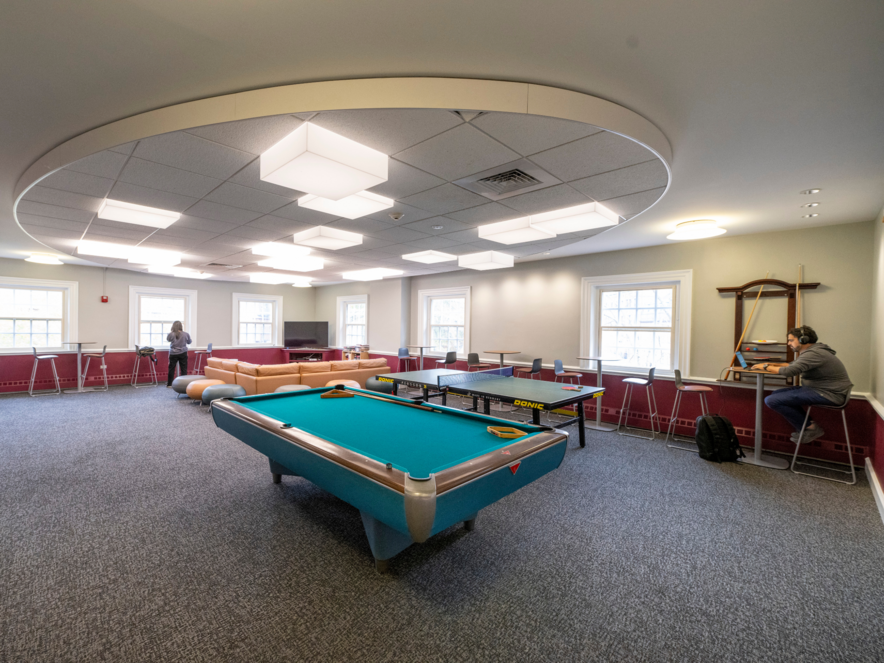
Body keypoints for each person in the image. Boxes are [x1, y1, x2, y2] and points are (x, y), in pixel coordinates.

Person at [756, 325, 852, 443]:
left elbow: (789, 371)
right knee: (776, 394)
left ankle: (810, 428)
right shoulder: (814, 351)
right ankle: (807, 426)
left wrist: (766, 367)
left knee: (771, 400)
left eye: (791, 340)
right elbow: (791, 365)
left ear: (803, 339)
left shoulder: (814, 354)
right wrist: (772, 365)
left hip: (830, 394)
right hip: (821, 390)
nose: (788, 343)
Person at [166, 321, 192, 387]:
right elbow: (189, 342)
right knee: (184, 369)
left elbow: (168, 340)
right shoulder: (186, 334)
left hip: (173, 353)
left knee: (171, 368)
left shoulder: (170, 334)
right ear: (181, 326)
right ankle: (183, 384)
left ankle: (170, 384)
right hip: (183, 352)